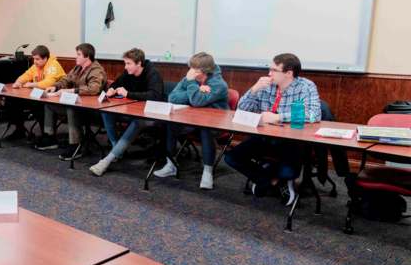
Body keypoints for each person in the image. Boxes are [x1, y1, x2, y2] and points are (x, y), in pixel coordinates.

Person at [224, 53, 321, 205]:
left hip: (291, 139)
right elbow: (241, 109)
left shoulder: (305, 86)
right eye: (270, 69)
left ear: (288, 73)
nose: (269, 74)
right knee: (231, 158)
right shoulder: (266, 86)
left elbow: (314, 114)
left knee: (287, 172)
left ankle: (271, 177)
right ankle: (271, 180)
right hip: (264, 136)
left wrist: (279, 117)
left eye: (274, 70)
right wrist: (254, 89)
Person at [151, 52, 229, 189]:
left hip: (215, 124)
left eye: (194, 69)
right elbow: (173, 98)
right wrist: (197, 89)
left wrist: (192, 84)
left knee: (206, 128)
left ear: (204, 71)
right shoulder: (190, 77)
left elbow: (197, 102)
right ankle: (171, 164)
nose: (190, 71)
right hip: (191, 120)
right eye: (191, 68)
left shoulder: (219, 84)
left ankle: (208, 171)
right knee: (170, 124)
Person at [89, 48, 165, 176]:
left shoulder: (153, 73)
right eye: (125, 63)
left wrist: (128, 93)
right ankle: (116, 148)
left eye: (128, 63)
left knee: (137, 121)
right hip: (133, 109)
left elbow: (155, 95)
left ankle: (108, 160)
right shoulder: (128, 72)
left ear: (139, 63)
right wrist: (111, 90)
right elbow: (116, 83)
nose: (126, 66)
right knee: (106, 111)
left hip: (152, 114)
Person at [36, 43, 107, 160]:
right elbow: (66, 79)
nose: (76, 57)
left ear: (87, 56)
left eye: (79, 55)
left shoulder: (96, 70)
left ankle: (75, 144)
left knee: (71, 108)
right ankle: (50, 137)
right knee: (48, 104)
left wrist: (71, 91)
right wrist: (55, 86)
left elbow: (94, 89)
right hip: (78, 104)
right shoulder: (78, 67)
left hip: (92, 109)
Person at [5, 45, 66, 140]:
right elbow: (26, 75)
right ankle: (20, 130)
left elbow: (49, 83)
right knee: (12, 101)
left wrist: (31, 85)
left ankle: (46, 136)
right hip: (39, 95)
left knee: (39, 106)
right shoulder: (37, 65)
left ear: (45, 58)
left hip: (54, 98)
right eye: (34, 59)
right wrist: (18, 82)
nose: (35, 62)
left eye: (37, 59)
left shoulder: (53, 65)